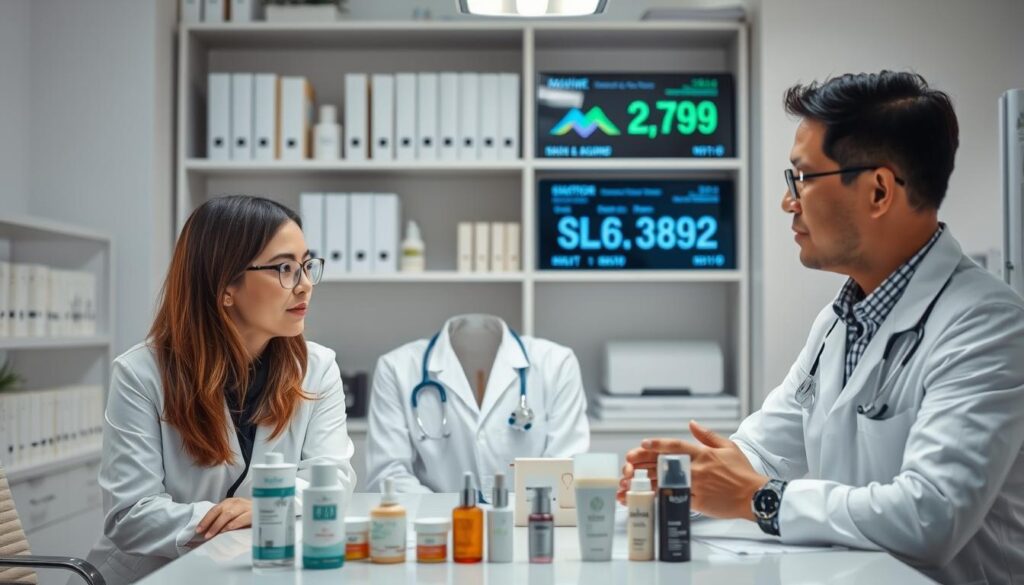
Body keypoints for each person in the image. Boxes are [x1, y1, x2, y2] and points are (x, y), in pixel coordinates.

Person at [618, 71, 1024, 585]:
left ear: (878, 191)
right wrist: (685, 476)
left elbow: (931, 516)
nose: (790, 201)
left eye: (803, 178)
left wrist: (758, 497)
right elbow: (765, 450)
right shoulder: (839, 320)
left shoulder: (986, 325)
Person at [85, 196, 356, 585]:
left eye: (306, 265)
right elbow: (130, 515)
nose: (306, 285)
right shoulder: (141, 373)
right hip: (157, 576)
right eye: (285, 268)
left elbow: (332, 480)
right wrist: (238, 516)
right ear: (225, 285)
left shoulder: (316, 368)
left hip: (259, 572)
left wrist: (260, 508)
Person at [365, 314, 590, 494]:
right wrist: (455, 519)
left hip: (530, 528)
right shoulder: (396, 368)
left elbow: (566, 469)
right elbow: (387, 477)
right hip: (436, 536)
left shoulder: (557, 363)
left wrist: (516, 515)